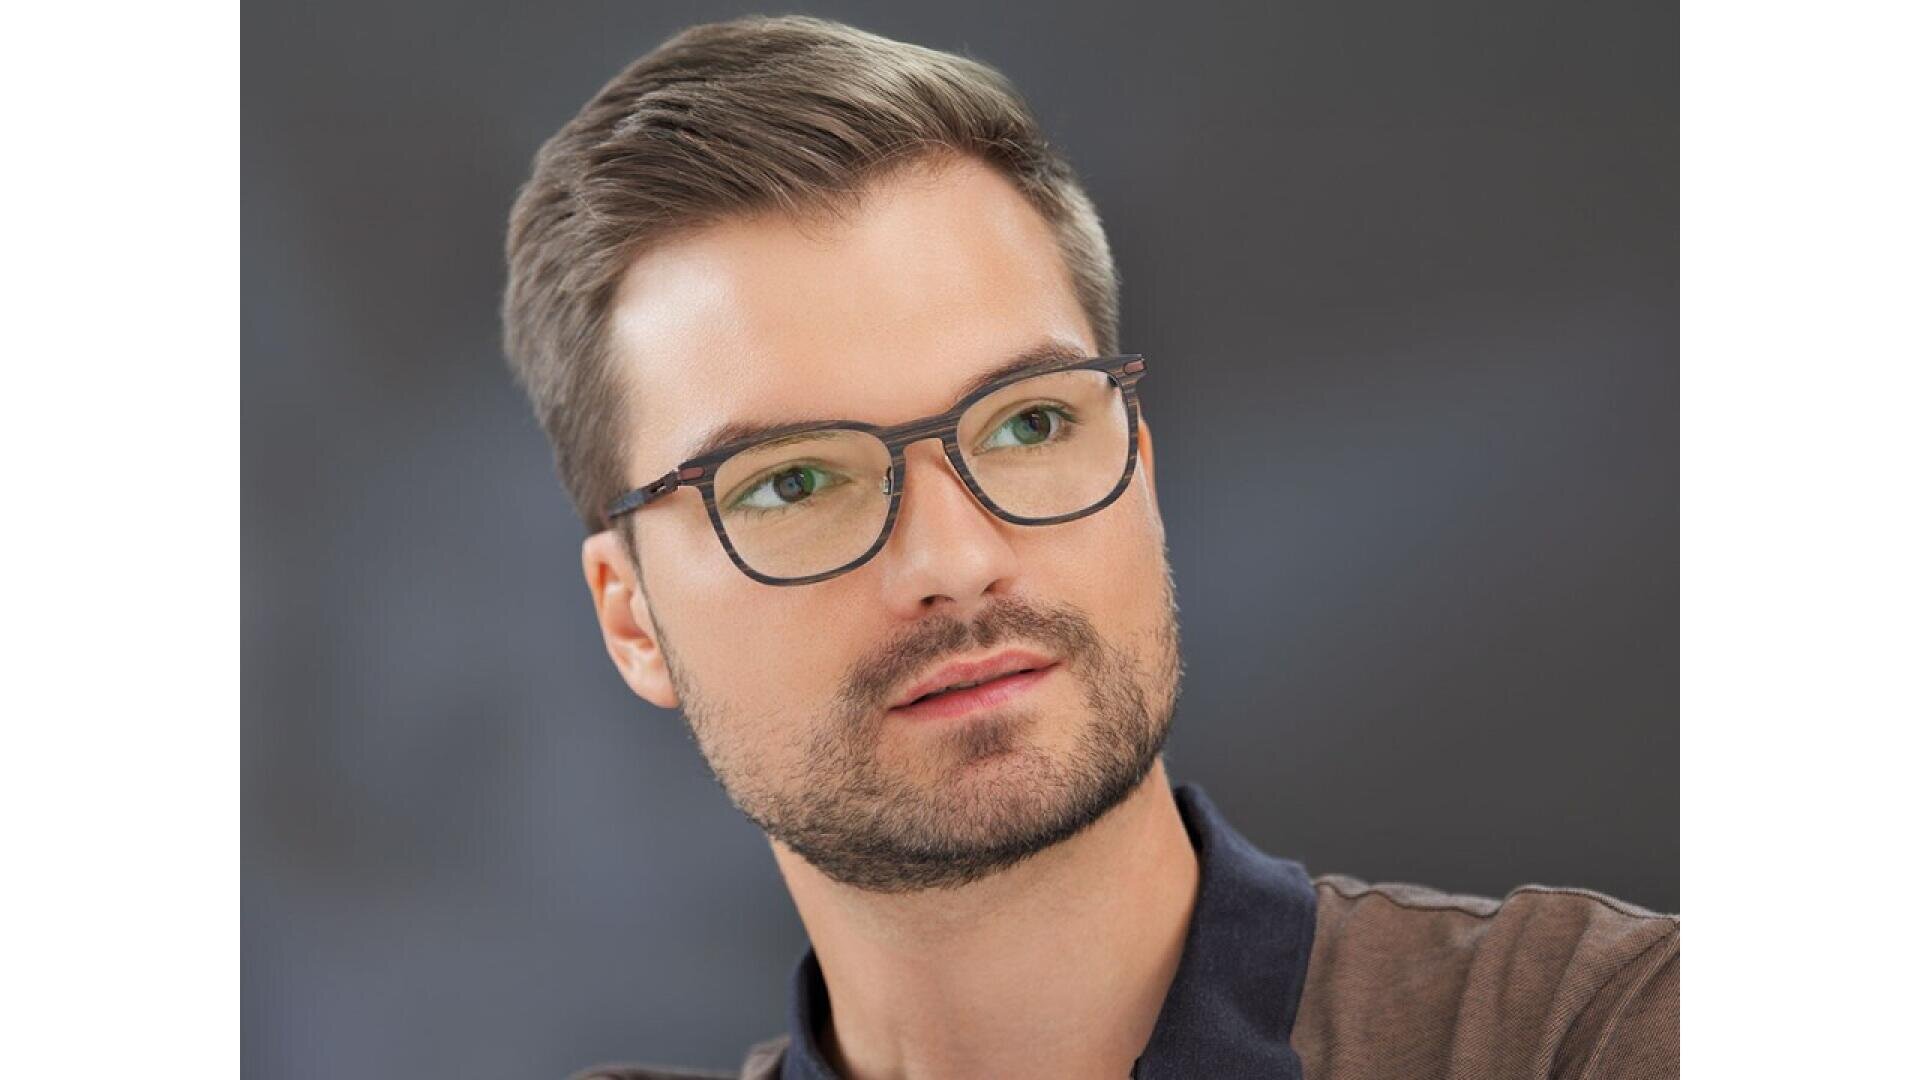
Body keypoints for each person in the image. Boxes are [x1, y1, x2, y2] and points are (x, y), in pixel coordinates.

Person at [501, 15, 1678, 1080]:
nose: (954, 561)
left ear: (1141, 471)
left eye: (1029, 424)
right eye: (793, 482)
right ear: (631, 618)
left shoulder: (1597, 1036)